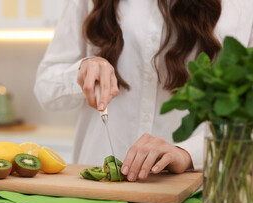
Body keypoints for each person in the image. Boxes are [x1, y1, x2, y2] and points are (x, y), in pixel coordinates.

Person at [34, 0, 253, 182]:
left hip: (190, 189)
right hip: (97, 189)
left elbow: (246, 116)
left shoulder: (242, 6)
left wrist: (188, 153)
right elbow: (45, 89)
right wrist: (81, 71)